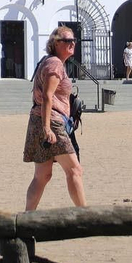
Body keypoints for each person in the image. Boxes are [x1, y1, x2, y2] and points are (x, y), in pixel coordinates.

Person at [23, 26, 86, 211]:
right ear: (55, 43)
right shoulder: (55, 64)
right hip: (51, 122)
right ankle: (84, 216)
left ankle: (28, 216)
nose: (72, 43)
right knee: (74, 170)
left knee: (42, 175)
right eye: (67, 41)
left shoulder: (48, 61)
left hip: (40, 120)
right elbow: (47, 96)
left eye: (74, 40)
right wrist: (47, 127)